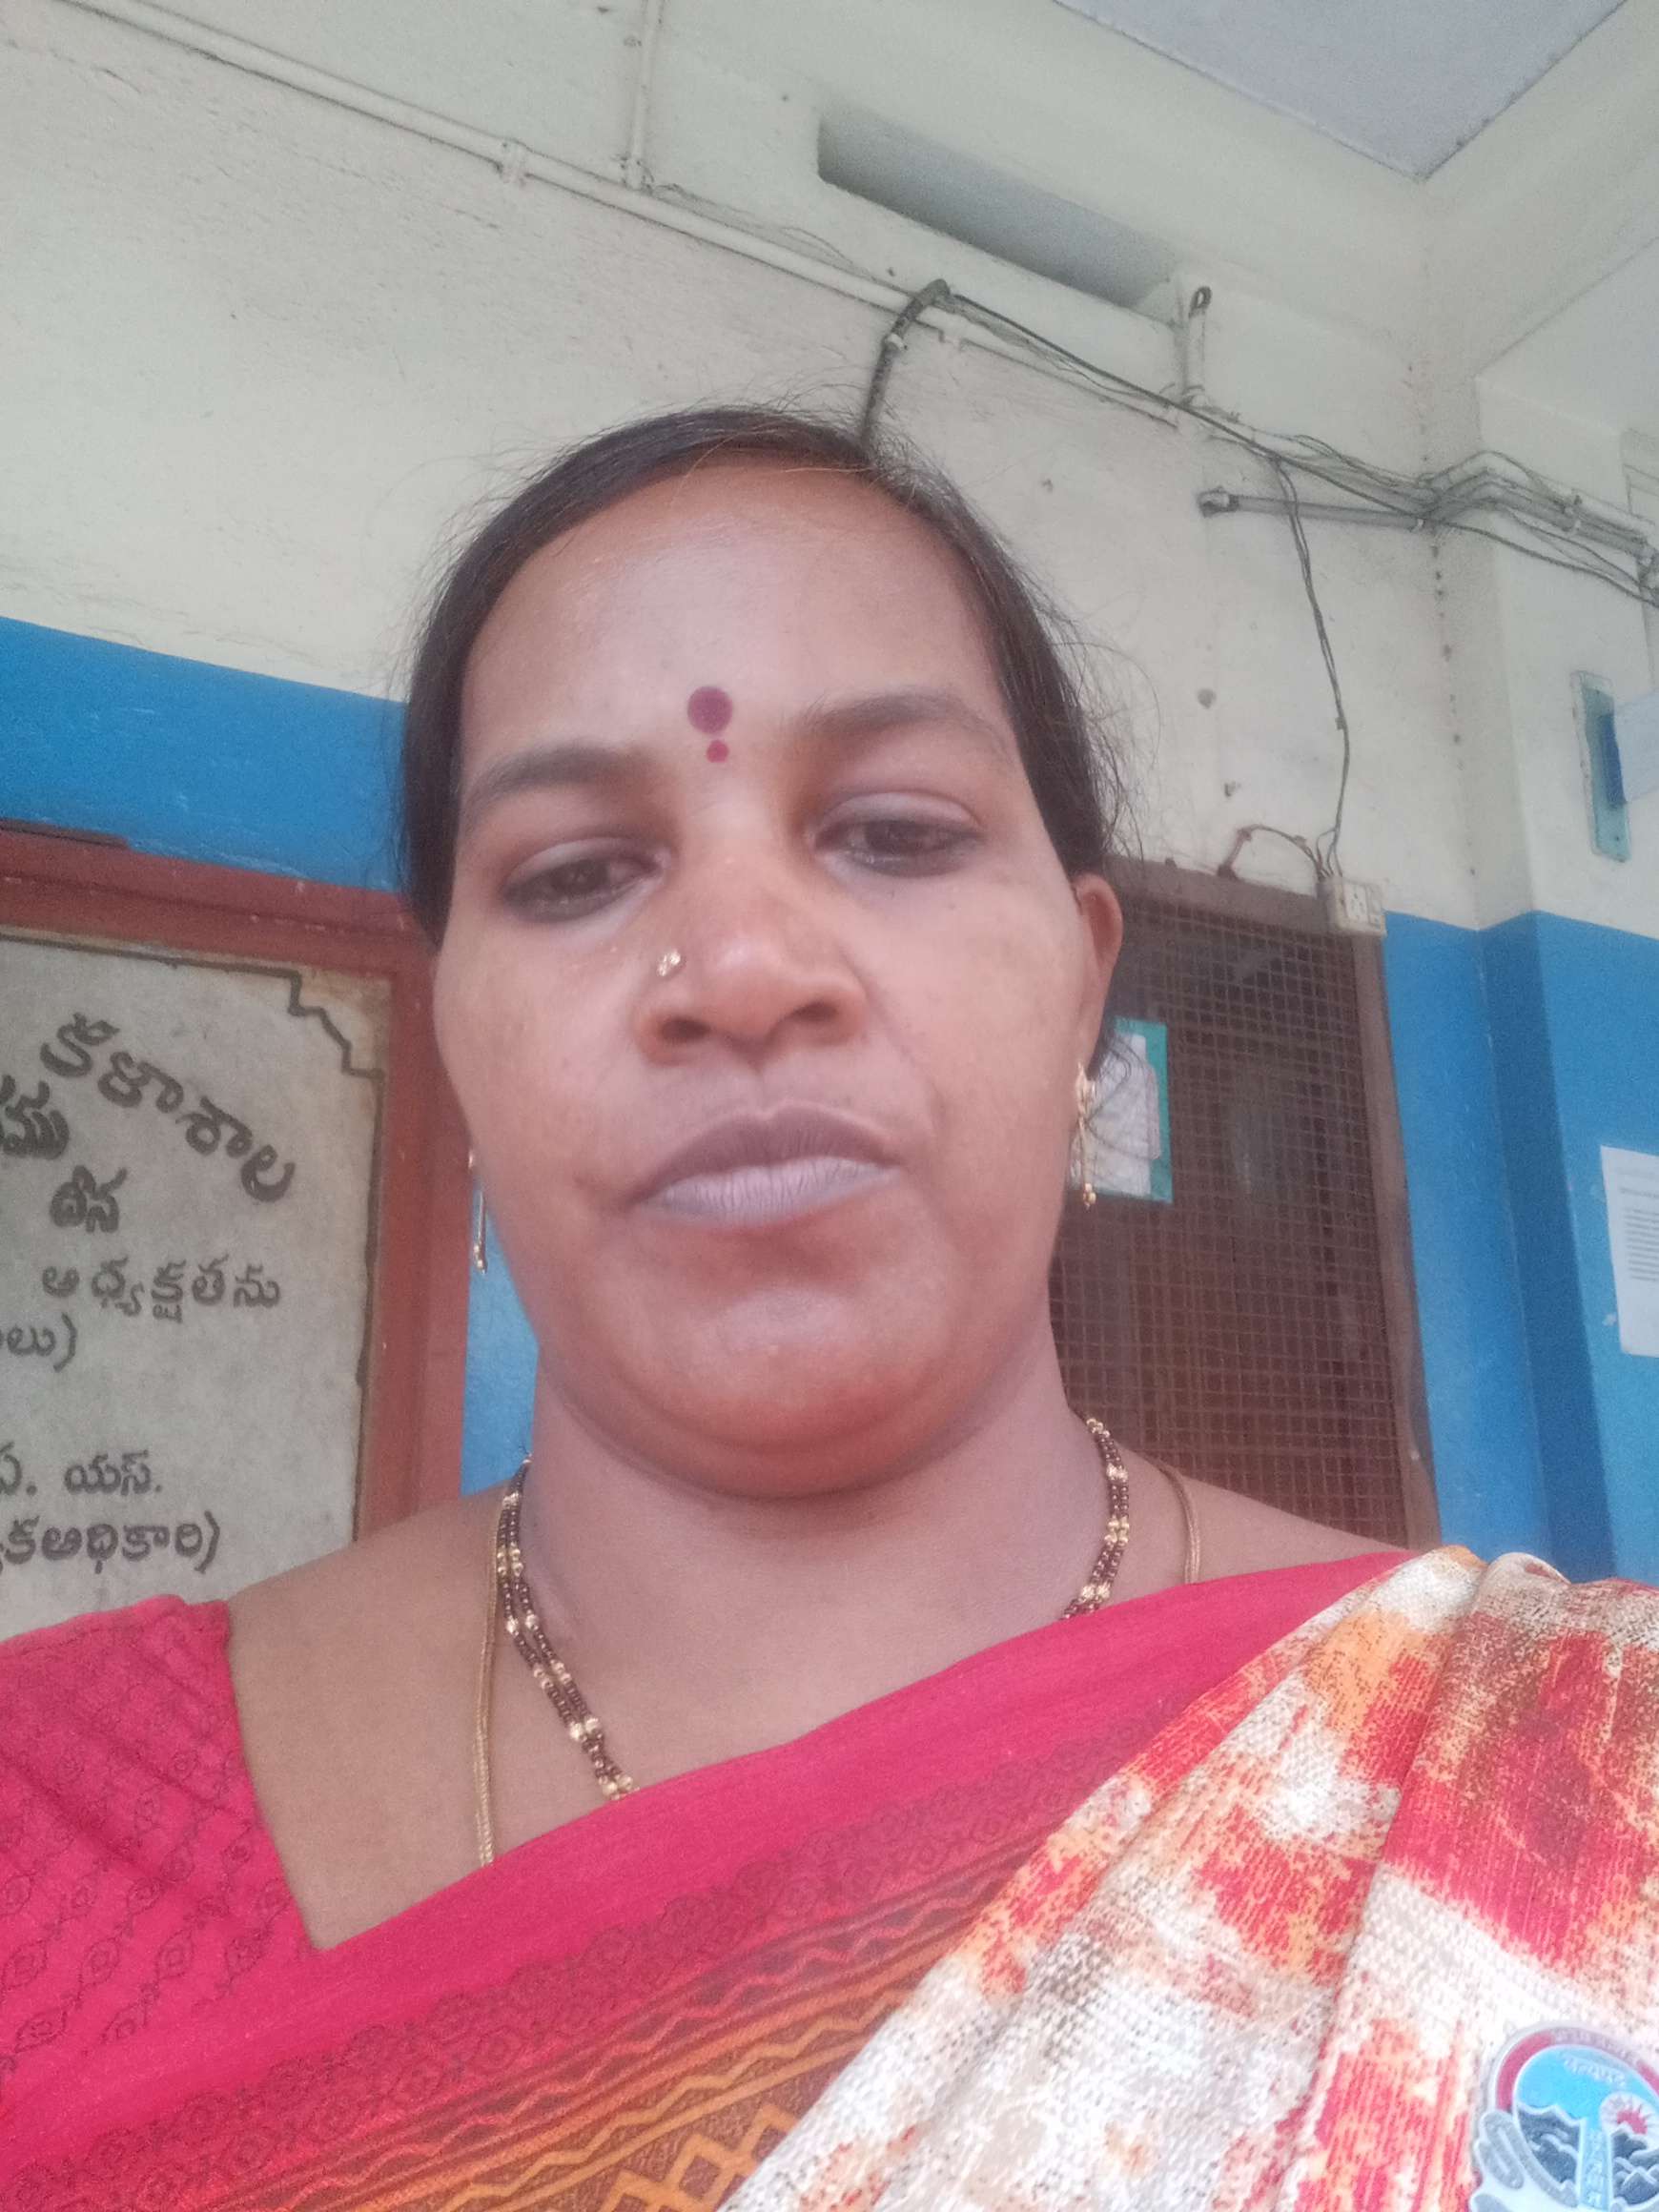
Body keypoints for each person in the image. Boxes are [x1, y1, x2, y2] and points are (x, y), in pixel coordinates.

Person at [3, 408, 1656, 2212]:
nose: (742, 972)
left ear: (1085, 988)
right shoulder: (51, 1823)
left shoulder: (1564, 1778)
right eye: (573, 873)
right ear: (454, 1030)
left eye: (891, 831)